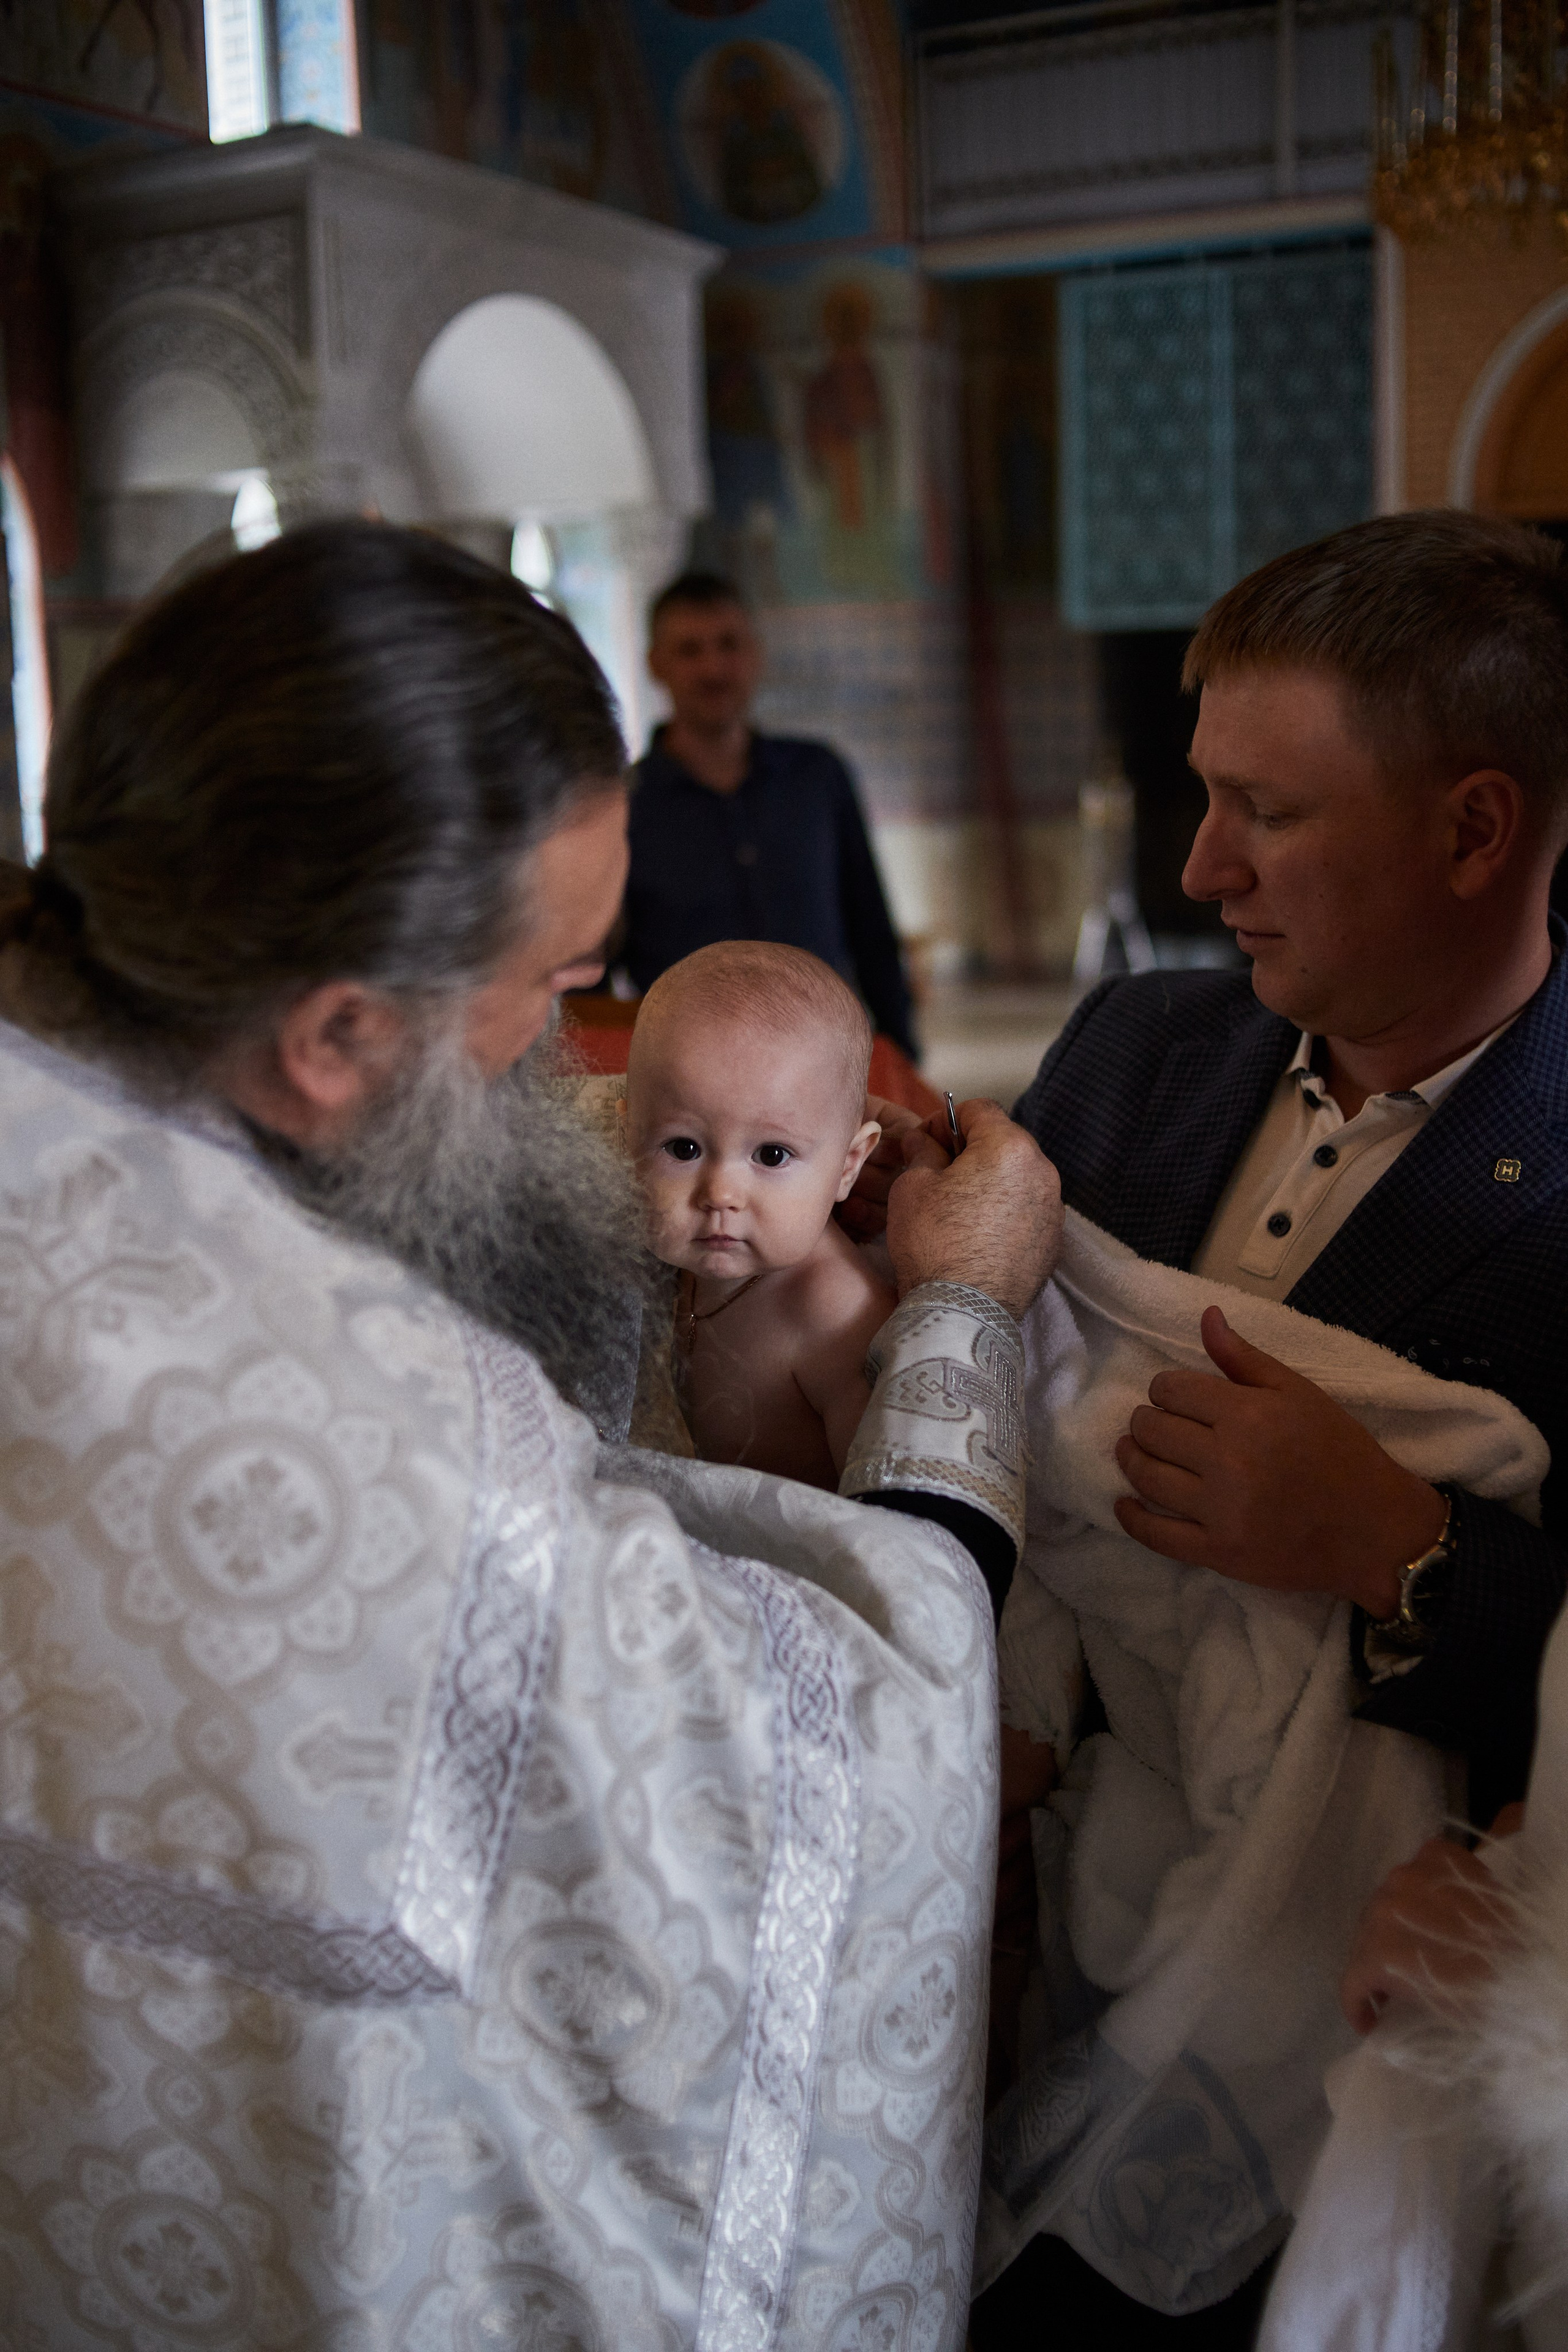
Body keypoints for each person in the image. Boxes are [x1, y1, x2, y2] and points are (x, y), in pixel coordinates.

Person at [0, 521, 1063, 2348]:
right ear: (337, 1029)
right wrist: (959, 1322)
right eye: (565, 975)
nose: (564, 1053)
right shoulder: (371, 1425)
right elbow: (856, 1766)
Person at [974, 510, 1568, 2345]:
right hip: (1040, 1903)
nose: (1200, 860)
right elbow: (1004, 1378)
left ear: (1476, 829)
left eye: (1270, 811)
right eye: (1202, 790)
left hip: (1338, 2009)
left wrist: (1392, 1542)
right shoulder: (1138, 1044)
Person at [624, 940, 895, 1488]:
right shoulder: (657, 1263)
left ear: (848, 1167)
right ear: (627, 1135)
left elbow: (884, 1518)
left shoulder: (838, 1317)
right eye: (683, 1149)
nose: (720, 1193)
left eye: (772, 1155)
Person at [622, 570, 919, 1060]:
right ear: (656, 664)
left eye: (728, 644)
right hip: (689, 1069)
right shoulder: (625, 805)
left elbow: (870, 925)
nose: (714, 667)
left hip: (825, 1057)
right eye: (690, 651)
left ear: (755, 655)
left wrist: (899, 1048)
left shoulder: (818, 776)